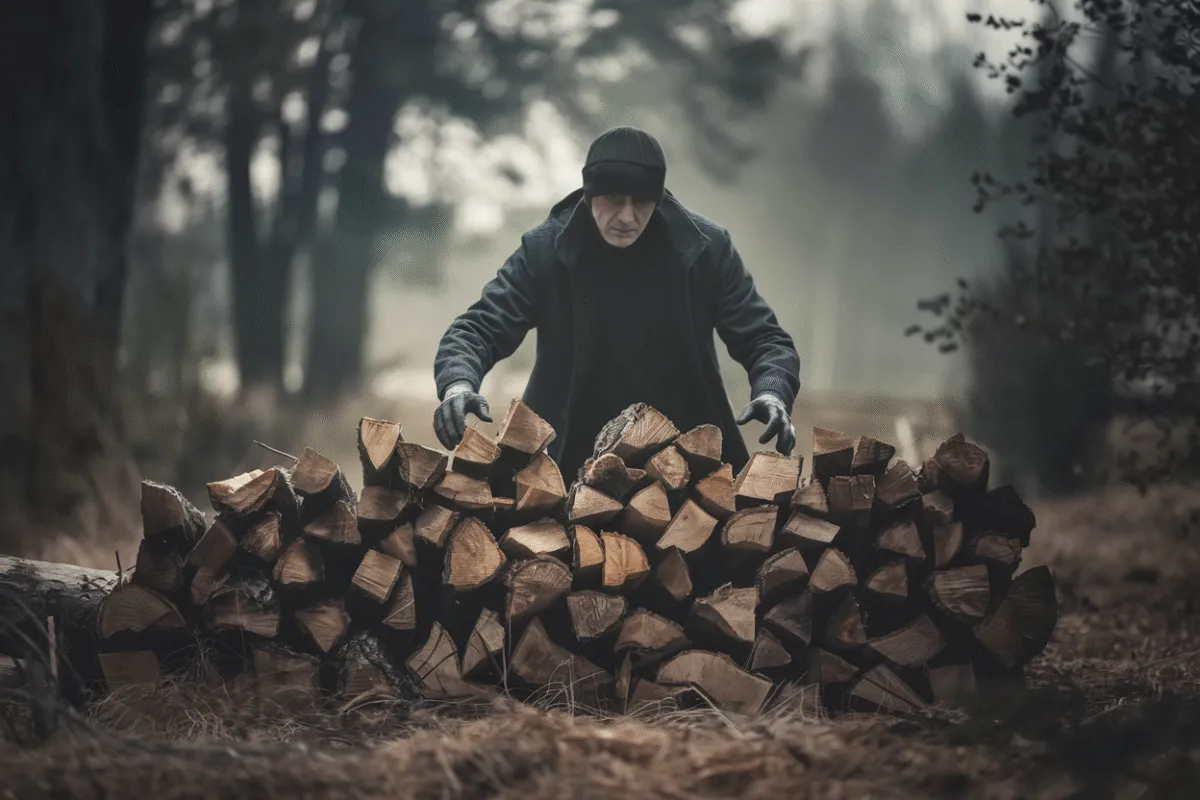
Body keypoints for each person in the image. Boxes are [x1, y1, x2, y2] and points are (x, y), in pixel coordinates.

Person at [432, 126, 800, 483]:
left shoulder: (706, 249)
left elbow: (765, 340)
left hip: (685, 467)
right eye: (613, 199)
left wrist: (772, 391)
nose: (627, 216)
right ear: (590, 195)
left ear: (657, 198)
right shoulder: (546, 251)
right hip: (562, 465)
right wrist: (458, 384)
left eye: (640, 201)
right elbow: (478, 329)